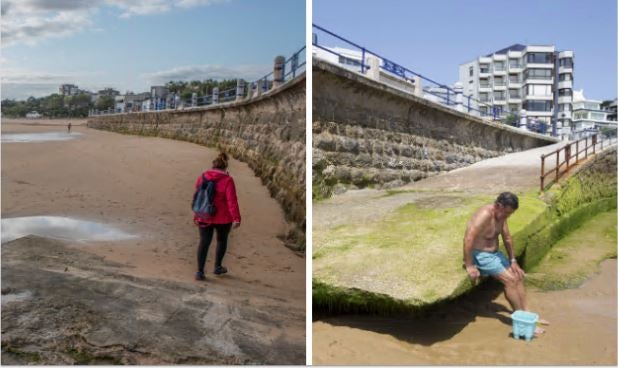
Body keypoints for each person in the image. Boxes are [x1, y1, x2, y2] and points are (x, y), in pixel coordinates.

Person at [463, 192, 549, 335]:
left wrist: (513, 260)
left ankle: (526, 313)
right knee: (510, 281)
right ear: (498, 205)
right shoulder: (484, 215)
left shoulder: (501, 214)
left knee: (518, 275)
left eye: (510, 214)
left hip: (495, 254)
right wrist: (469, 265)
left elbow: (507, 238)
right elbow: (468, 239)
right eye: (506, 213)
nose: (507, 217)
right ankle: (522, 322)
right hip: (481, 255)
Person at [194, 152, 241, 280]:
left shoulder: (203, 176)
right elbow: (232, 200)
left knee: (204, 242)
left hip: (204, 215)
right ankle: (217, 267)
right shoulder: (227, 180)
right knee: (221, 240)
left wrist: (196, 214)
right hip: (223, 218)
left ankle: (200, 272)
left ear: (213, 166)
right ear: (225, 167)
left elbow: (198, 196)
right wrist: (236, 218)